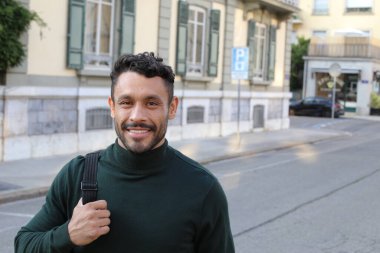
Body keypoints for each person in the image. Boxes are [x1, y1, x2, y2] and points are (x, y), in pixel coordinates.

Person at [15, 52, 235, 253]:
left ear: (172, 108)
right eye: (126, 102)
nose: (137, 116)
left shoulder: (202, 188)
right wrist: (67, 235)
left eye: (151, 103)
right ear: (112, 107)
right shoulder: (78, 174)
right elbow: (24, 244)